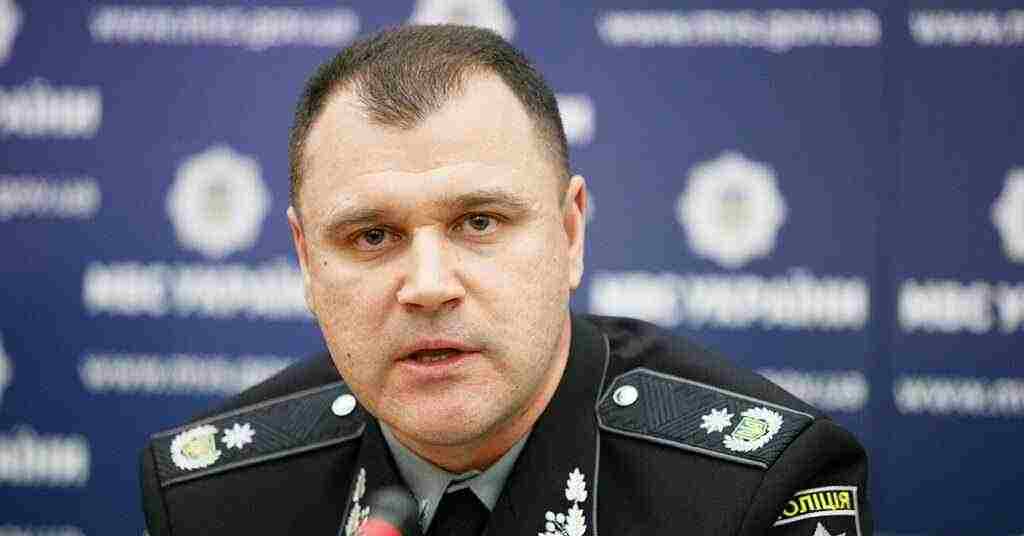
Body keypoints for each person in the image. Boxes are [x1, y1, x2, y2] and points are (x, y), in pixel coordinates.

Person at [140, 24, 871, 536]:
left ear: (570, 234)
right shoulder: (212, 498)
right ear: (306, 261)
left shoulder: (754, 488)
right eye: (373, 236)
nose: (429, 286)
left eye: (479, 222)